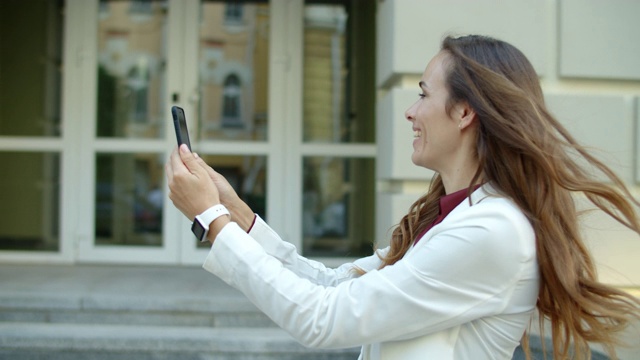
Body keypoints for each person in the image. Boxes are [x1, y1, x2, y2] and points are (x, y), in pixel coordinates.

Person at [165, 34, 640, 359]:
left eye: (422, 94)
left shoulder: (493, 233)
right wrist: (235, 211)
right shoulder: (454, 216)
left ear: (464, 112)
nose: (410, 112)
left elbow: (321, 319)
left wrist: (210, 218)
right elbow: (331, 287)